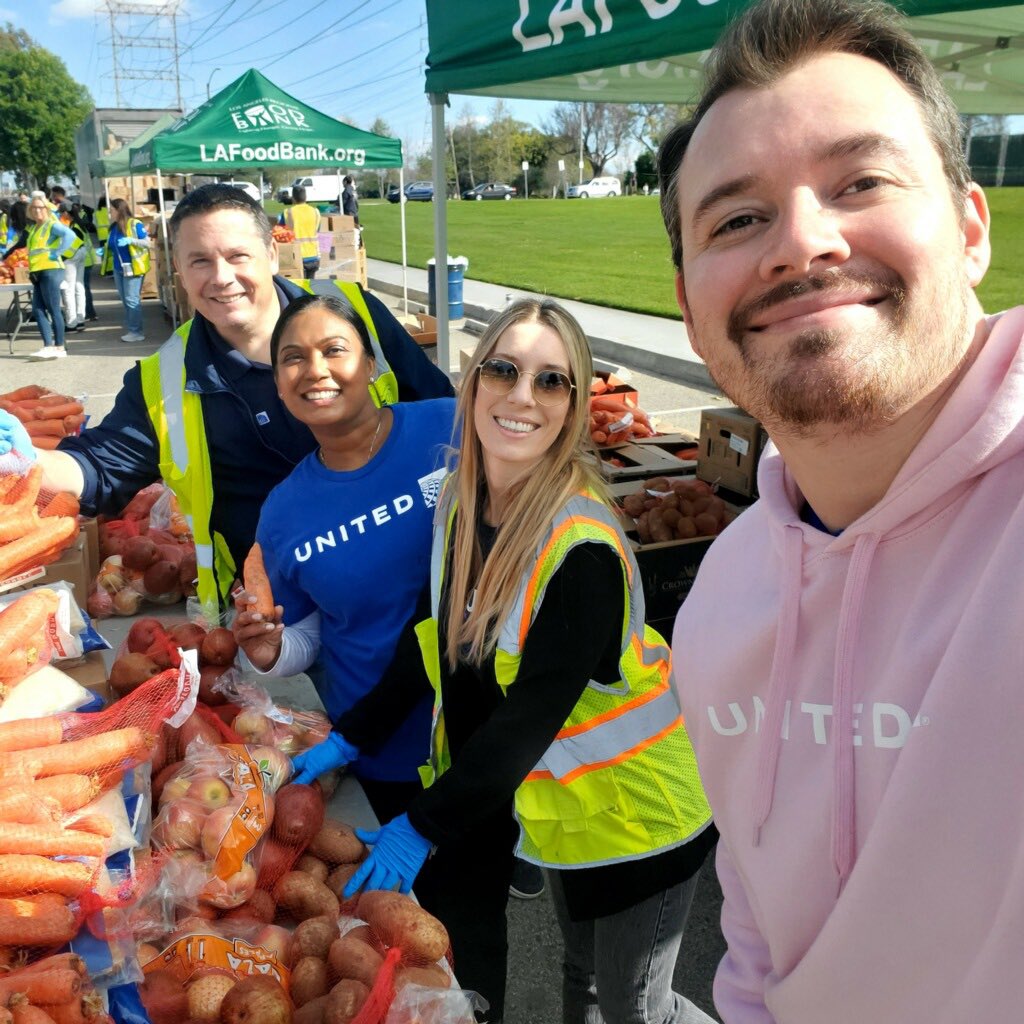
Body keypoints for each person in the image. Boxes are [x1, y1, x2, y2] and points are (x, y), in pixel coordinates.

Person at [656, 1, 1018, 1021]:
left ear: (968, 226)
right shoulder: (720, 603)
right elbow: (760, 925)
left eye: (859, 182)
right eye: (737, 218)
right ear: (688, 304)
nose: (801, 243)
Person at [292, 299, 716, 1024]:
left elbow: (527, 720)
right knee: (582, 982)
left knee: (636, 1008)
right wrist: (351, 732)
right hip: (573, 814)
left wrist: (420, 823)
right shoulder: (465, 504)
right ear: (474, 380)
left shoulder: (579, 551)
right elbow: (432, 634)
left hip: (643, 818)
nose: (522, 396)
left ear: (575, 405)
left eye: (551, 382)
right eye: (505, 370)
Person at [14, 183, 452, 624]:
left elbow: (440, 409)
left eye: (237, 256)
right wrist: (21, 458)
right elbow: (100, 467)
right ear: (180, 274)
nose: (221, 277)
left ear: (271, 255)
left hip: (411, 566)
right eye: (199, 261)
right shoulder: (164, 378)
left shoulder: (352, 310)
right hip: (287, 610)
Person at [232, 291, 454, 824]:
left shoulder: (450, 426)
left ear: (371, 365)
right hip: (376, 741)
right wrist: (270, 650)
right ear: (280, 385)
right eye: (292, 358)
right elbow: (308, 636)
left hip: (482, 723)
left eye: (334, 349)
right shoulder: (283, 511)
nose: (315, 370)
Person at [2, 193, 77, 360]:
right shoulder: (34, 228)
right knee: (37, 309)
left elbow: (70, 236)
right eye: (34, 207)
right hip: (37, 272)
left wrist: (58, 252)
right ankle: (48, 346)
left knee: (53, 308)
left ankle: (59, 346)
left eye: (41, 207)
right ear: (30, 210)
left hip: (51, 269)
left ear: (46, 209)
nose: (37, 210)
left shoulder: (51, 225)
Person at [102, 197, 152, 343]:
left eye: (111, 210)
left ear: (119, 210)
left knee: (131, 300)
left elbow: (147, 243)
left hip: (134, 268)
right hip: (119, 268)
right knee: (126, 300)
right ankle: (133, 328)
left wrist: (131, 241)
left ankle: (136, 332)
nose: (109, 213)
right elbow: (112, 245)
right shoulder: (114, 227)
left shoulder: (134, 224)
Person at [58, 202, 88, 333]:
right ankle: (80, 319)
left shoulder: (72, 227)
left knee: (68, 290)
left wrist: (60, 258)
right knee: (78, 287)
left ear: (65, 213)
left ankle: (71, 323)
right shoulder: (78, 223)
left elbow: (70, 246)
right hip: (81, 255)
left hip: (71, 258)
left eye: (61, 213)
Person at [282, 185, 321, 280]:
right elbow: (318, 231)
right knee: (311, 286)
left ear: (293, 198)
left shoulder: (288, 213)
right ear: (306, 197)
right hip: (314, 256)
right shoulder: (315, 212)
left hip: (296, 257)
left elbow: (280, 234)